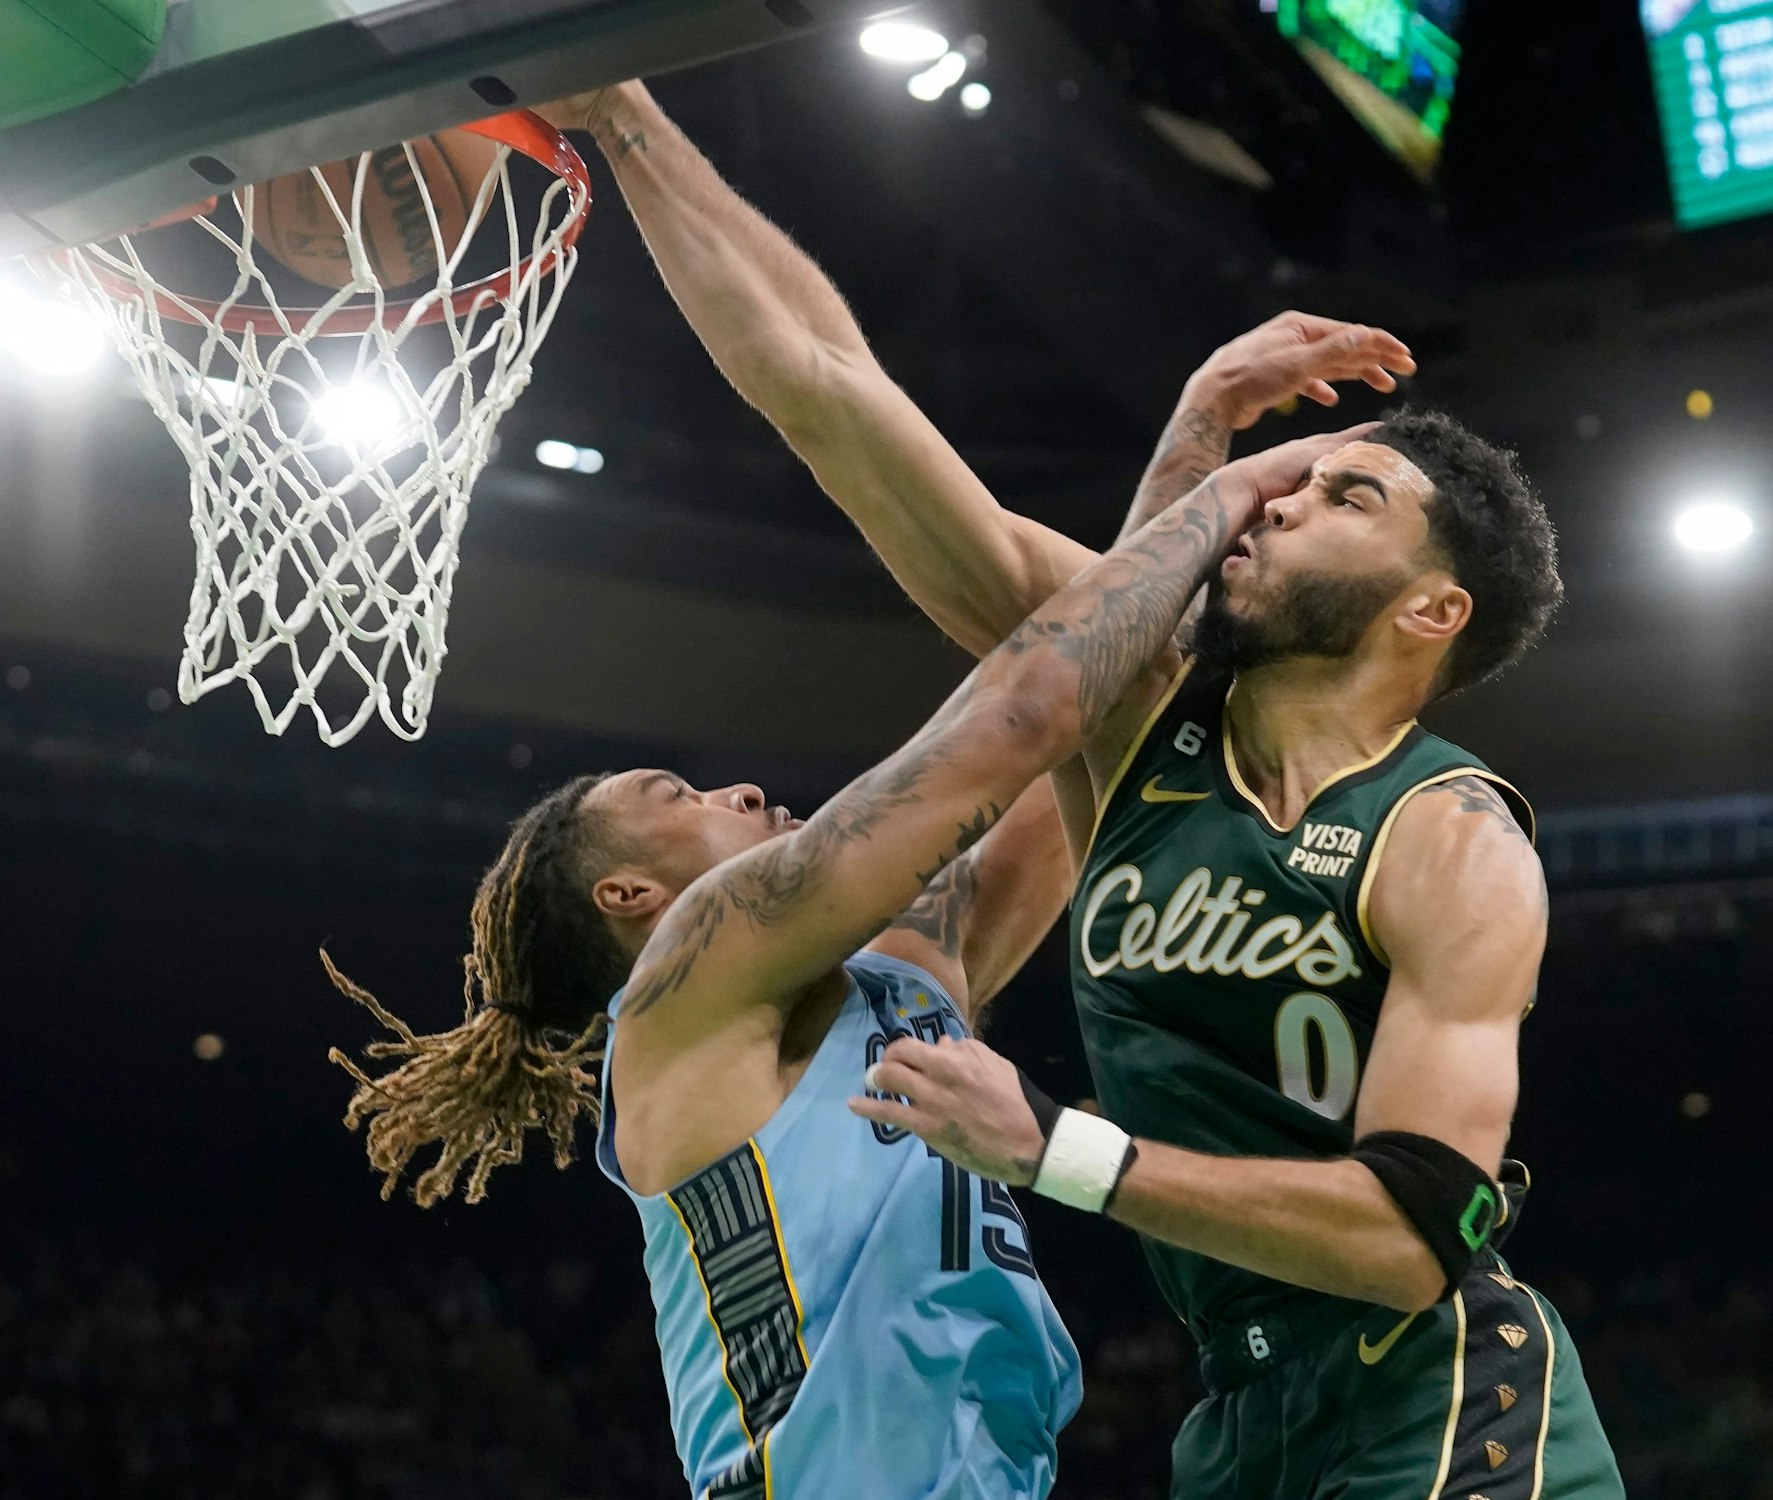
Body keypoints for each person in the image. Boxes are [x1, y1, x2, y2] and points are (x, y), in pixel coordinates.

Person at [547, 82, 1625, 1500]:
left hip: (1436, 1398)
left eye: (1347, 499)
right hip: (1236, 1422)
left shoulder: (1451, 836)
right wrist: (623, 115)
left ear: (1430, 613)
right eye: (1291, 479)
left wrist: (1061, 1151)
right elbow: (828, 391)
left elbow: (1410, 1235)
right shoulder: (1142, 746)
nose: (1284, 493)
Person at [323, 346, 1354, 1492]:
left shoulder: (902, 980)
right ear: (630, 898)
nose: (742, 794)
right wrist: (1223, 500)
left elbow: (1099, 726)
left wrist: (1197, 423)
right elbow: (1021, 712)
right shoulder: (681, 989)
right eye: (682, 798)